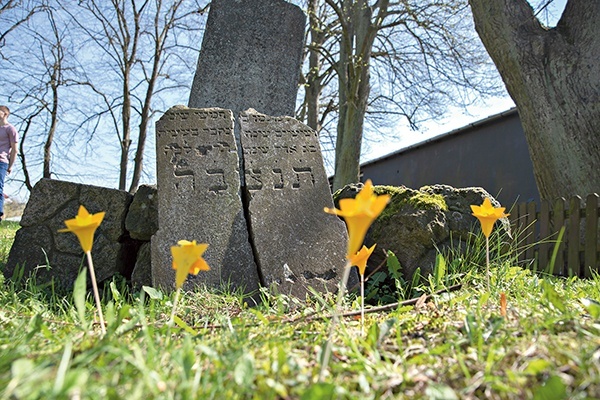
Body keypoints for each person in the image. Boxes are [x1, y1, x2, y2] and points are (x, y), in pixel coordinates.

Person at [0, 106, 18, 222]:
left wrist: (10, 166)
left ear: (5, 113)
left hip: (1, 162)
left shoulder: (10, 129)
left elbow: (15, 150)